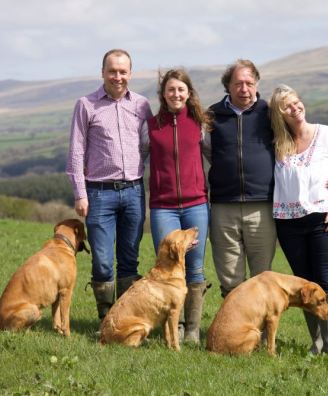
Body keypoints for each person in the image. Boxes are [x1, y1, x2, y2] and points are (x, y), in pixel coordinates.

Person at [66, 49, 152, 323]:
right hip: (98, 193)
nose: (118, 76)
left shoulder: (141, 104)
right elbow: (76, 152)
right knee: (102, 261)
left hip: (134, 191)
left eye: (123, 71)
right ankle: (105, 317)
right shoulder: (86, 104)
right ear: (102, 72)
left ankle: (124, 318)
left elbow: (148, 145)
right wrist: (80, 193)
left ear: (130, 73)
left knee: (129, 259)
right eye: (112, 71)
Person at [269, 84, 328, 357]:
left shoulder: (326, 134)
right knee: (305, 284)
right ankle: (316, 343)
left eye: (296, 102)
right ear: (280, 115)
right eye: (287, 107)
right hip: (288, 223)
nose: (295, 108)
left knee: (325, 281)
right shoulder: (278, 144)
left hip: (321, 219)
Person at [140, 69, 210, 343]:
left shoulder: (199, 124)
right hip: (163, 209)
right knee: (168, 265)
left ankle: (192, 329)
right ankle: (175, 326)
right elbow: (139, 159)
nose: (176, 94)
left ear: (188, 93)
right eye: (171, 90)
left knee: (194, 268)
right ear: (163, 94)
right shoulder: (151, 126)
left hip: (196, 206)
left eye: (181, 89)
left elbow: (213, 157)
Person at [202, 59, 277, 298]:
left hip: (262, 205)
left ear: (256, 84)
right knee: (230, 277)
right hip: (224, 206)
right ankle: (234, 332)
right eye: (238, 84)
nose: (244, 89)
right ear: (228, 86)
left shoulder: (270, 114)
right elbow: (207, 150)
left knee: (262, 275)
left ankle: (262, 332)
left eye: (249, 83)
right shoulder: (212, 116)